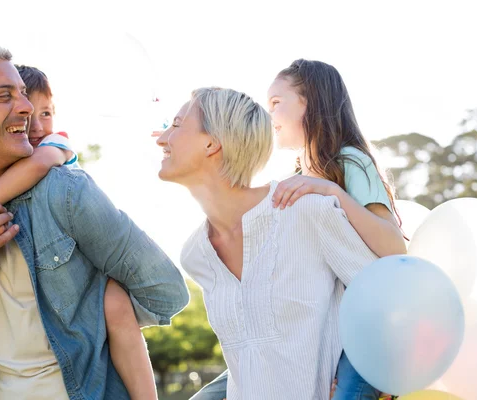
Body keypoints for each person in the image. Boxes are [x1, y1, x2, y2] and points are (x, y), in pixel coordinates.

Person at [0, 44, 189, 400]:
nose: (26, 109)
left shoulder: (66, 192)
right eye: (4, 96)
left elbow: (166, 292)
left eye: (24, 94)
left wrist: (104, 312)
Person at [191, 60, 406, 400]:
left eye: (276, 103)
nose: (269, 114)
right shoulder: (296, 173)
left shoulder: (349, 161)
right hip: (306, 330)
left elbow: (394, 249)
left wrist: (332, 192)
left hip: (362, 329)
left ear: (310, 102)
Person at [155, 86, 379, 399]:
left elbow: (386, 298)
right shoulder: (196, 254)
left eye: (176, 126)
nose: (162, 138)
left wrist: (354, 385)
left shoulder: (304, 211)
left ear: (211, 143)